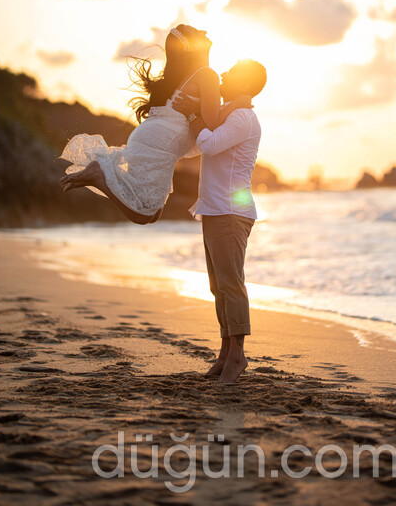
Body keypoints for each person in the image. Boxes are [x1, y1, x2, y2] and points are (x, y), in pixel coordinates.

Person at [59, 25, 251, 225]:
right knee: (144, 213)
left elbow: (204, 109)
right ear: (194, 46)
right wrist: (236, 105)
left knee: (154, 214)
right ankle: (100, 175)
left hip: (151, 138)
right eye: (198, 32)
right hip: (160, 142)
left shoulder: (191, 75)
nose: (204, 32)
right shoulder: (206, 74)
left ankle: (101, 173)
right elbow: (212, 124)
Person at [172, 59, 267, 384]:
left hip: (230, 212)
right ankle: (226, 353)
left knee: (230, 284)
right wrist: (197, 110)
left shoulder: (242, 116)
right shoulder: (231, 111)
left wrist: (197, 114)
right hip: (216, 209)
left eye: (230, 73)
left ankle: (238, 356)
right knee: (218, 287)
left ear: (244, 83)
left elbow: (209, 143)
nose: (222, 75)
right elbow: (208, 131)